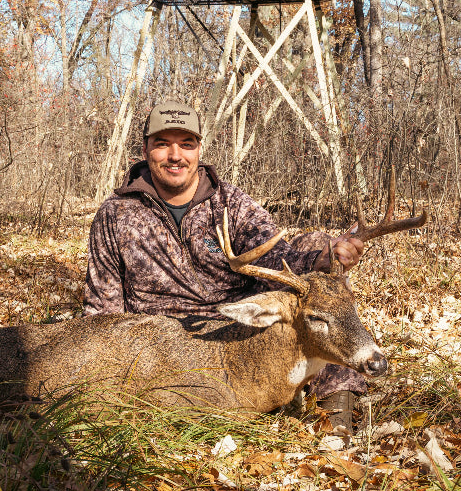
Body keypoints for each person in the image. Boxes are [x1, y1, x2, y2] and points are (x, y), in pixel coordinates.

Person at [83, 99, 368, 430]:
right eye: (163, 144)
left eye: (186, 144)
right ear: (145, 148)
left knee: (319, 293)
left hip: (235, 330)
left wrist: (322, 257)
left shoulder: (230, 203)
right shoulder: (117, 214)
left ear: (199, 149)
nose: (175, 155)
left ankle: (337, 411)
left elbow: (277, 259)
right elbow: (103, 307)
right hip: (161, 345)